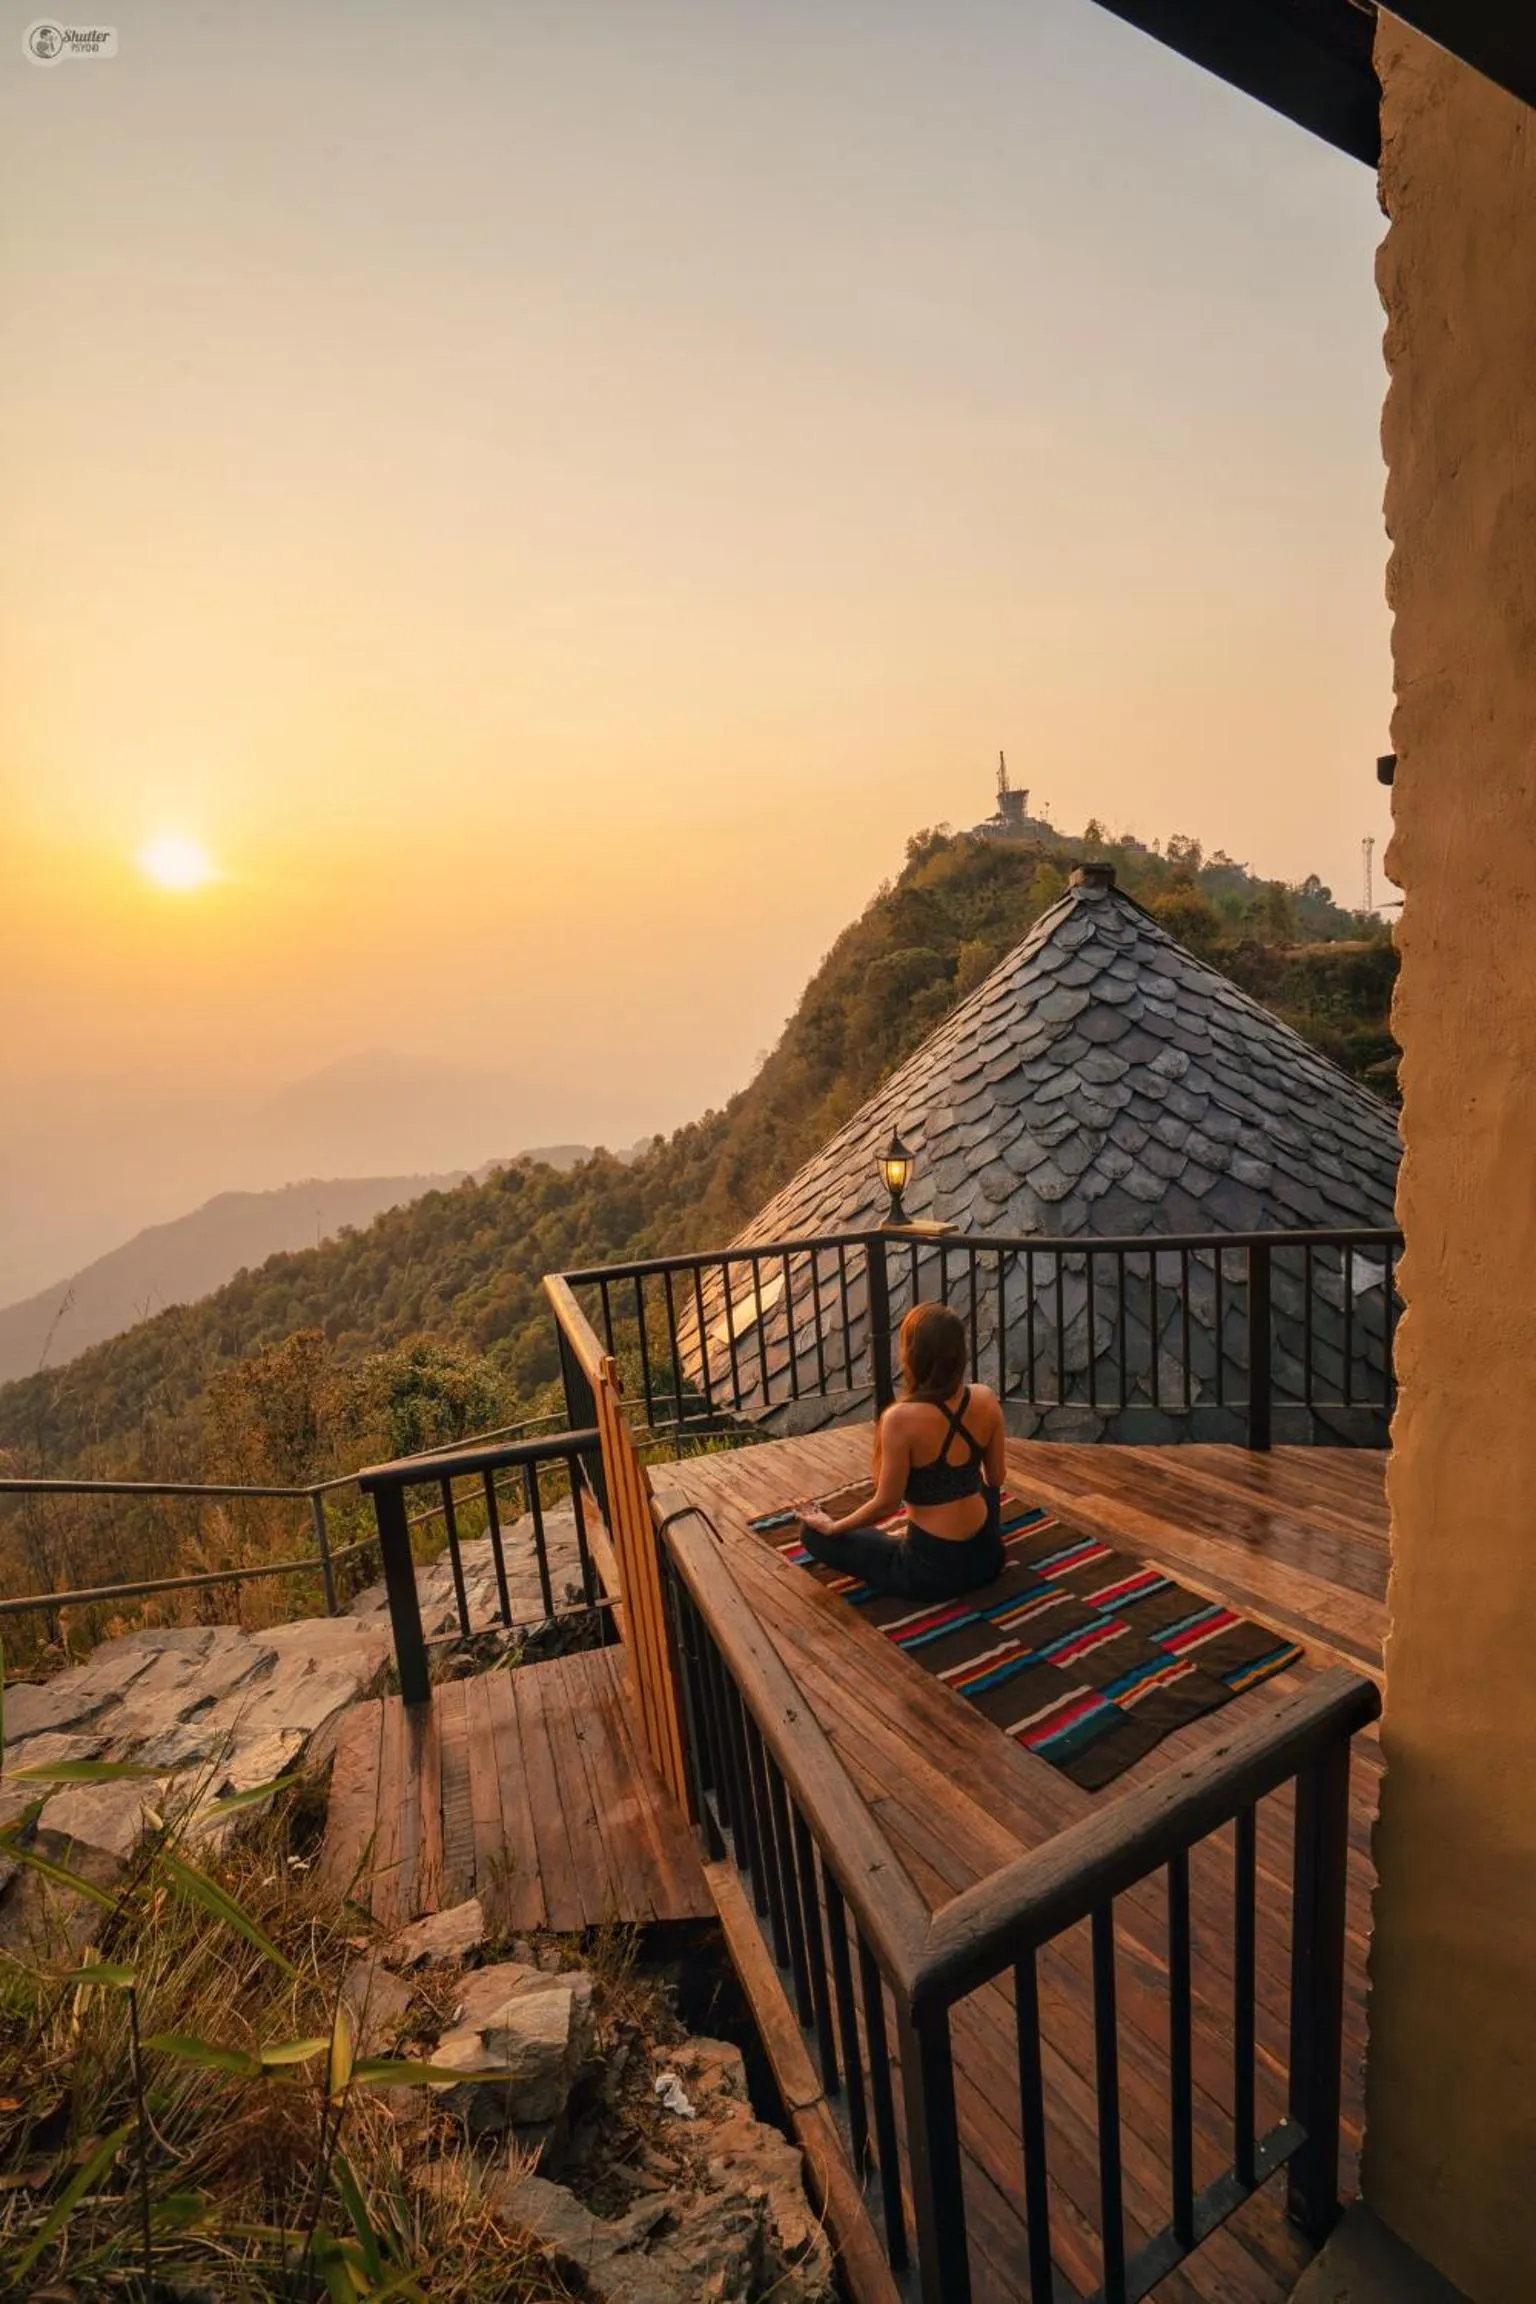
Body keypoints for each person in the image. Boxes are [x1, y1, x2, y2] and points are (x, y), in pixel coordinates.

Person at [798, 1300, 1008, 1600]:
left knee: (812, 1535)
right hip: (988, 1557)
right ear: (960, 1353)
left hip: (931, 1571)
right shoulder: (986, 1398)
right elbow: (996, 1478)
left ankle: (853, 1537)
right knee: (982, 1487)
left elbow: (886, 1504)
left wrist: (833, 1528)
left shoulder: (899, 1419)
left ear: (913, 1355)